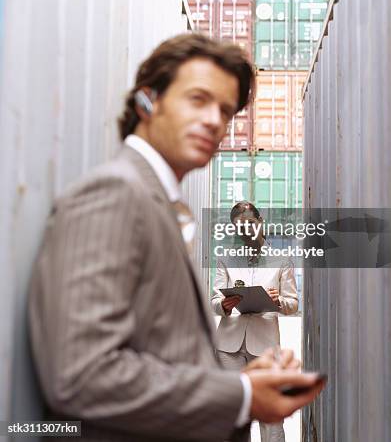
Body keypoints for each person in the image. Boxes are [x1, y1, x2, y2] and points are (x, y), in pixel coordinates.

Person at [28, 34, 325, 442]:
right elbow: (81, 375)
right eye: (198, 99)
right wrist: (239, 393)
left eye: (225, 110)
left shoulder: (156, 203)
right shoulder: (114, 194)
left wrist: (246, 381)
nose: (214, 121)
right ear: (147, 101)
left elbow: (157, 351)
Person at [211, 202, 299, 442]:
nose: (245, 231)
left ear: (261, 221)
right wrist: (223, 305)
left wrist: (278, 300)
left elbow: (293, 303)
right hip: (229, 346)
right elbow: (215, 299)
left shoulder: (282, 259)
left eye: (249, 224)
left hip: (265, 347)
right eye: (239, 228)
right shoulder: (226, 258)